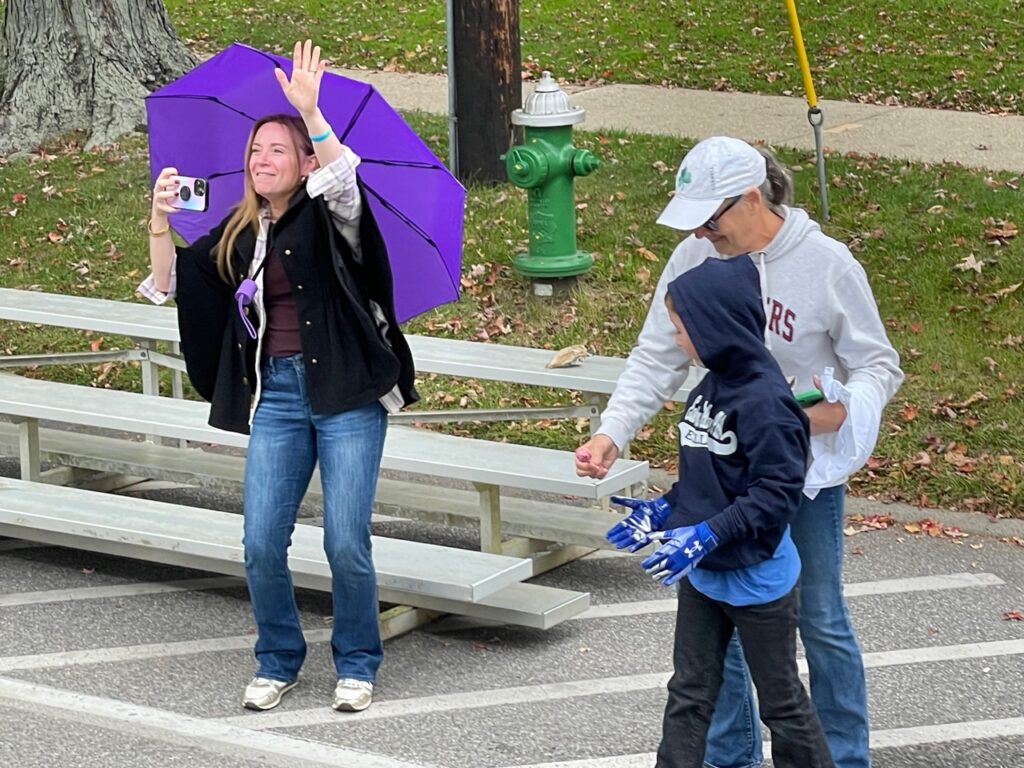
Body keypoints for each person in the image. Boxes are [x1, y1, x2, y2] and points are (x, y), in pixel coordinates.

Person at [577, 136, 903, 768]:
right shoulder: (693, 257)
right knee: (714, 635)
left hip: (798, 473)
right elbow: (657, 353)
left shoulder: (828, 264)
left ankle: (842, 757)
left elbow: (877, 367)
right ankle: (733, 758)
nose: (701, 231)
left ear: (753, 199)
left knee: (820, 619)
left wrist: (839, 410)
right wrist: (611, 432)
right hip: (721, 470)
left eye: (712, 217)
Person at [140, 40, 417, 713]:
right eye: (256, 151)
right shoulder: (239, 233)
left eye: (277, 151)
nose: (262, 160)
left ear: (303, 164)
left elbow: (345, 182)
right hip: (279, 395)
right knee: (261, 540)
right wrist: (159, 219)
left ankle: (357, 660)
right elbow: (175, 282)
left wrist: (311, 112)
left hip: (349, 393)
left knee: (345, 541)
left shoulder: (332, 215)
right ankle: (278, 658)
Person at [606, 255, 833, 768]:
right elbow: (708, 480)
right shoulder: (707, 388)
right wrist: (663, 511)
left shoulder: (767, 403)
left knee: (781, 705)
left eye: (683, 330)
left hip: (758, 582)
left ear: (718, 326)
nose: (678, 340)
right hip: (703, 574)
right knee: (688, 695)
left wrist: (708, 532)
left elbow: (776, 493)